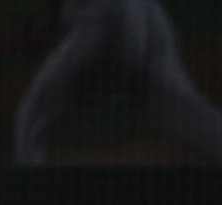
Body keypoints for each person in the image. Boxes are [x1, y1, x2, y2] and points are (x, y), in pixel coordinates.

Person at [15, 0, 222, 165]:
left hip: (106, 15)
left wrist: (45, 24)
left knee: (34, 108)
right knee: (176, 109)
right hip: (144, 12)